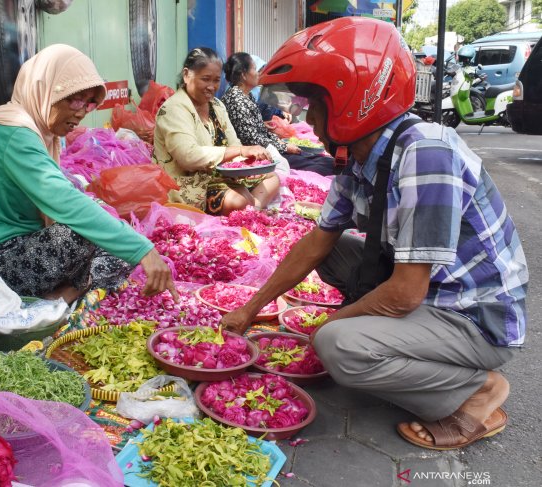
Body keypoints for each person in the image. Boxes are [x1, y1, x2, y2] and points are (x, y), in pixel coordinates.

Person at [222, 18, 527, 451]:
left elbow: (404, 294)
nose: (307, 116)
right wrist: (250, 309)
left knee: (337, 347)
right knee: (328, 252)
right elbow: (318, 240)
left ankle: (477, 392)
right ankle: (394, 348)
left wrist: (328, 328)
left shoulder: (426, 152)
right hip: (433, 292)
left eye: (314, 104)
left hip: (473, 316)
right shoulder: (363, 153)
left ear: (351, 98)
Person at [0, 44, 177, 304]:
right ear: (44, 90)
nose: (81, 111)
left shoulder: (36, 130)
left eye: (89, 104)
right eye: (75, 99)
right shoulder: (13, 133)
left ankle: (67, 291)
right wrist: (144, 252)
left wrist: (132, 245)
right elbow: (63, 201)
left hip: (19, 246)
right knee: (82, 235)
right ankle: (62, 296)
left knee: (115, 240)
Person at [152, 47, 280, 215]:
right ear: (186, 75)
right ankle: (250, 209)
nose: (211, 87)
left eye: (216, 80)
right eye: (205, 79)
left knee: (272, 177)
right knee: (239, 201)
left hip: (219, 176)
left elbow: (234, 143)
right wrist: (241, 150)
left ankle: (252, 210)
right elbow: (188, 157)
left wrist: (252, 158)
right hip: (189, 182)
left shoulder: (217, 105)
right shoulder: (174, 109)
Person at [222, 52, 333, 176]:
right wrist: (284, 147)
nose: (259, 73)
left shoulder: (246, 96)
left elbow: (255, 131)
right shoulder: (237, 99)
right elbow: (251, 139)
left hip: (266, 147)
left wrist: (279, 142)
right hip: (258, 154)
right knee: (319, 165)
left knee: (317, 159)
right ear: (243, 74)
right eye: (254, 69)